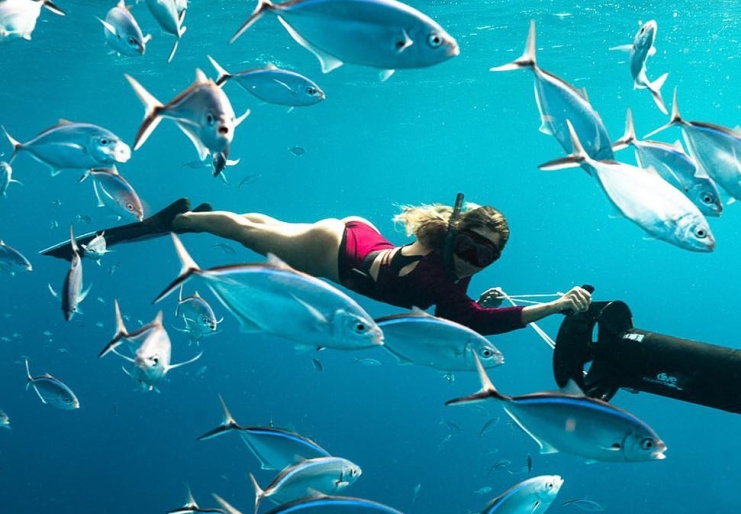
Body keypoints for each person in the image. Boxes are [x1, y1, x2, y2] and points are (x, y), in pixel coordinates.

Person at [42, 195, 592, 336]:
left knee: (264, 224)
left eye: (486, 256)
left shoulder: (449, 267)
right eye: (471, 247)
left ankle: (210, 214)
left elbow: (462, 303)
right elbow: (470, 320)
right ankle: (181, 219)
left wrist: (480, 294)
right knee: (248, 234)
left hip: (357, 235)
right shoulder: (438, 273)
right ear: (454, 235)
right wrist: (552, 308)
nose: (475, 261)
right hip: (336, 253)